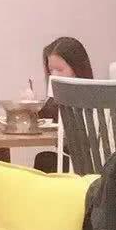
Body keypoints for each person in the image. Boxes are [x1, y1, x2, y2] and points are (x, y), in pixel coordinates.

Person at [36, 35, 95, 169]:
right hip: (73, 162)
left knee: (44, 160)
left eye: (60, 70)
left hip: (85, 165)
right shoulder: (56, 100)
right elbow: (43, 119)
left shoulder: (89, 99)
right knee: (44, 158)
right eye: (51, 70)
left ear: (77, 69)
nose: (54, 76)